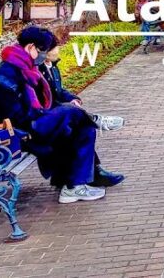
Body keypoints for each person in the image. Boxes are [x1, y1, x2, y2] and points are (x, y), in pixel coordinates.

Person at [0, 27, 122, 203]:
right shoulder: (8, 72)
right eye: (44, 50)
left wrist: (54, 111)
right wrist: (51, 115)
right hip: (22, 131)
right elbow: (15, 114)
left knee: (84, 130)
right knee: (69, 114)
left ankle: (74, 187)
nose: (45, 54)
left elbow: (46, 99)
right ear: (31, 47)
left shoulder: (27, 67)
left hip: (33, 122)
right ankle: (95, 120)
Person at [35, 30, 126, 187]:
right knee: (77, 131)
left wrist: (71, 98)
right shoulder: (38, 71)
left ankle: (90, 173)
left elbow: (58, 91)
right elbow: (45, 100)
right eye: (54, 48)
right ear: (42, 51)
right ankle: (80, 177)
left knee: (82, 130)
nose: (58, 50)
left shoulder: (52, 67)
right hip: (45, 121)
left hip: (55, 116)